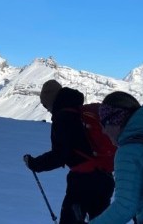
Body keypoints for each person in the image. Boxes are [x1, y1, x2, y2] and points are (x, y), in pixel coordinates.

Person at [24, 79, 115, 224]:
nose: (46, 109)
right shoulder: (80, 112)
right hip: (105, 178)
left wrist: (35, 164)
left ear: (51, 100)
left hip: (82, 181)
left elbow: (60, 155)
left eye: (45, 104)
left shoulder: (63, 117)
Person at [89, 91, 143, 224]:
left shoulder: (129, 151)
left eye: (104, 123)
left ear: (116, 121)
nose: (103, 130)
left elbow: (125, 207)